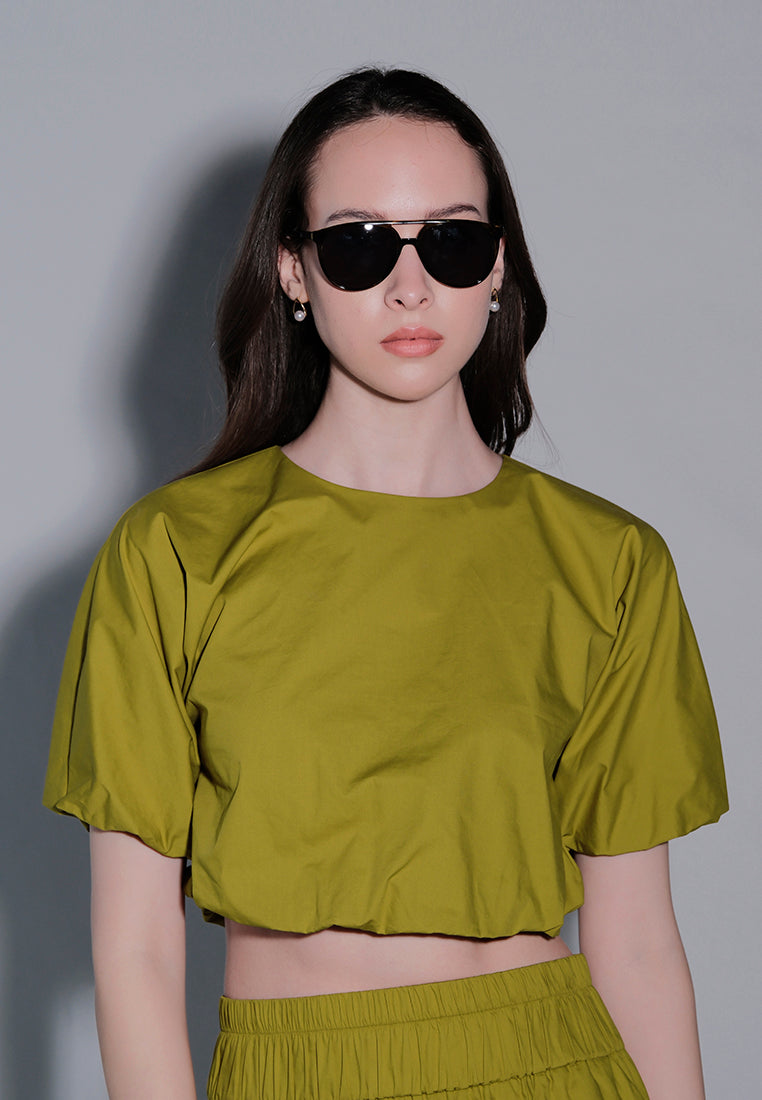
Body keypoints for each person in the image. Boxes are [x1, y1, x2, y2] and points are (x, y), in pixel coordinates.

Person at [43, 67, 728, 1100]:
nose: (411, 287)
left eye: (452, 242)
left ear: (498, 267)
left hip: (551, 1060)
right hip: (295, 1069)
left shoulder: (608, 561)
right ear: (293, 272)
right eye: (360, 245)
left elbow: (636, 943)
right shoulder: (176, 552)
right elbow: (135, 948)